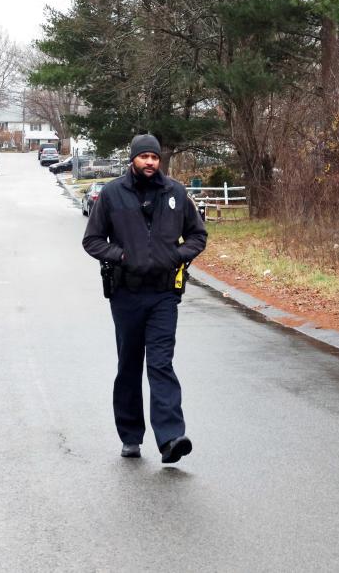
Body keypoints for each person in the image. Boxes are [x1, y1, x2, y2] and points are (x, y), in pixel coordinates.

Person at [82, 134, 207, 463]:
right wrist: (121, 256)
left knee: (161, 364)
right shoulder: (111, 194)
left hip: (164, 294)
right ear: (133, 159)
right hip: (126, 295)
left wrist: (176, 256)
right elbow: (92, 240)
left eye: (155, 157)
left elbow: (198, 235)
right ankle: (130, 436)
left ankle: (170, 439)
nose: (150, 162)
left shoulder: (176, 193)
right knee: (129, 365)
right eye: (144, 157)